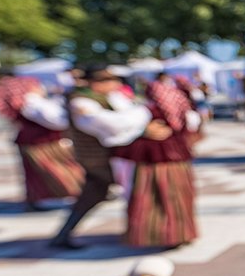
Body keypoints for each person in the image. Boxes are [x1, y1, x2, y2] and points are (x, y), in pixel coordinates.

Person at [50, 66, 167, 250]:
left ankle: (64, 234)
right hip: (97, 157)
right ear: (96, 83)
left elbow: (133, 114)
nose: (115, 84)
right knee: (125, 190)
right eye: (109, 80)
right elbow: (113, 125)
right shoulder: (81, 101)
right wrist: (142, 127)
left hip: (108, 155)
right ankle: (145, 230)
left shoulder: (106, 98)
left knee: (94, 194)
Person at [117, 77, 199, 249]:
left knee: (157, 198)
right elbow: (193, 126)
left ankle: (165, 234)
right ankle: (181, 233)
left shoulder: (145, 111)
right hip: (178, 160)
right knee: (177, 198)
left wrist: (143, 132)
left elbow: (123, 128)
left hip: (154, 163)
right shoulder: (182, 109)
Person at [0, 74, 84, 211]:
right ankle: (52, 199)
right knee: (54, 172)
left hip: (38, 143)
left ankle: (46, 198)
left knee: (44, 172)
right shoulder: (32, 103)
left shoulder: (30, 102)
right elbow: (57, 121)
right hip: (42, 144)